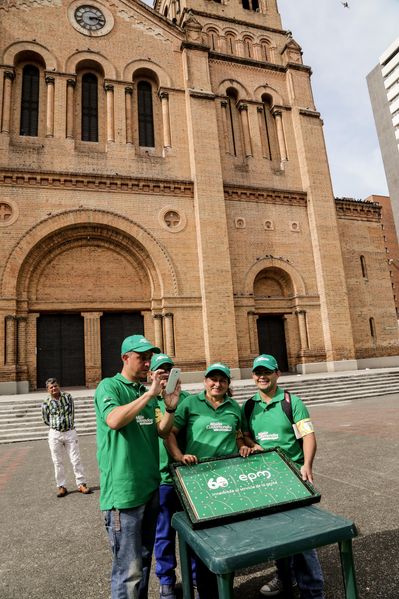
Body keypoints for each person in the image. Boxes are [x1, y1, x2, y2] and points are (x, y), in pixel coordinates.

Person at [94, 334, 181, 599]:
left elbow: (162, 431)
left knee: (143, 561)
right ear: (125, 358)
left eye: (149, 359)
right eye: (141, 358)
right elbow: (114, 420)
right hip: (124, 495)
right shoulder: (109, 387)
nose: (147, 364)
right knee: (127, 571)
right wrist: (150, 395)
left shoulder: (146, 393)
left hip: (149, 489)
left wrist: (169, 408)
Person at [165, 362, 252, 599]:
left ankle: (226, 589)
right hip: (198, 478)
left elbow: (239, 435)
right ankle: (206, 591)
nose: (217, 384)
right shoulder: (190, 403)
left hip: (228, 479)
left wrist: (243, 447)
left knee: (229, 537)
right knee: (202, 540)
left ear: (228, 383)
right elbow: (170, 432)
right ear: (205, 381)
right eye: (213, 379)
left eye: (222, 380)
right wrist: (179, 456)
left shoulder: (234, 407)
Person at [242, 354, 324, 599]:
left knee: (302, 535)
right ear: (253, 376)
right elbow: (245, 435)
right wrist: (251, 444)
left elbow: (308, 436)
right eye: (258, 372)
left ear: (277, 374)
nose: (262, 376)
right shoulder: (248, 406)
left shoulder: (291, 402)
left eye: (267, 372)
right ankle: (285, 577)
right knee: (276, 531)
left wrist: (307, 465)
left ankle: (312, 589)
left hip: (293, 474)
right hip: (267, 477)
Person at [150, 353, 193, 599]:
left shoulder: (188, 400)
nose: (166, 373)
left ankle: (196, 578)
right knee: (164, 533)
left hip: (188, 478)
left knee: (194, 533)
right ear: (151, 375)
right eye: (160, 370)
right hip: (163, 479)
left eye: (169, 369)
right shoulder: (146, 401)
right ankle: (166, 582)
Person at [41, 378, 91, 497]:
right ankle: (61, 486)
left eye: (55, 386)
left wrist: (67, 424)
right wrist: (56, 425)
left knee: (76, 459)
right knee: (57, 461)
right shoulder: (46, 403)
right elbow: (46, 419)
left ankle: (81, 484)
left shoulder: (68, 397)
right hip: (55, 434)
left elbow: (72, 412)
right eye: (51, 387)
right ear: (48, 390)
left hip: (70, 432)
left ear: (59, 386)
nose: (54, 389)